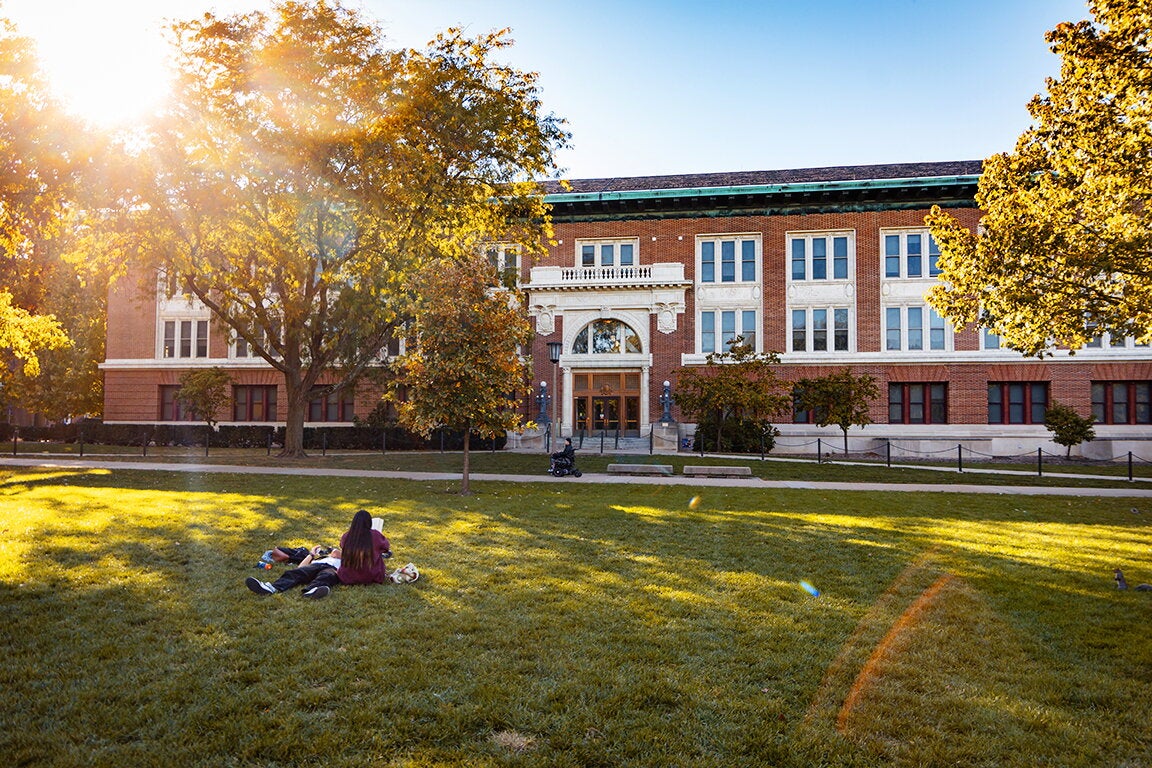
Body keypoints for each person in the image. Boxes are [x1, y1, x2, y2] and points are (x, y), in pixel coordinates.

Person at [247, 545, 341, 599]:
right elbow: (300, 567)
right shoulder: (321, 558)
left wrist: (340, 555)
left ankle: (312, 591)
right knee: (295, 573)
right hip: (315, 565)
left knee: (327, 576)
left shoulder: (347, 559)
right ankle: (272, 588)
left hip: (332, 568)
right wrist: (311, 554)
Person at [337, 509, 393, 586]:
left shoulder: (346, 536)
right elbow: (386, 547)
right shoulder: (376, 535)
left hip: (347, 577)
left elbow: (342, 546)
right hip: (372, 576)